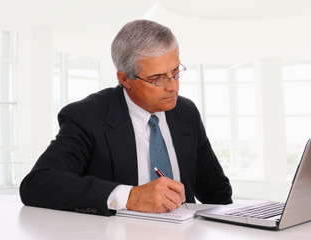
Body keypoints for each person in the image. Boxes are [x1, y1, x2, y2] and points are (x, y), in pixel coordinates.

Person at [20, 19, 232, 216]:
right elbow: (38, 184)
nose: (173, 86)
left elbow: (217, 191)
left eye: (175, 72)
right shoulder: (87, 116)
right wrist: (130, 197)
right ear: (125, 79)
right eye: (157, 78)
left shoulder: (186, 112)